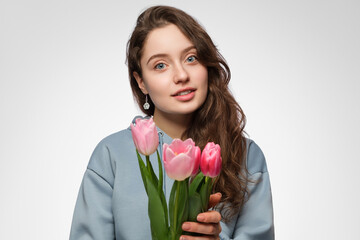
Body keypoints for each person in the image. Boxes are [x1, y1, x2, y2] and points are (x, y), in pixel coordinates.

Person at [70, 5, 274, 240]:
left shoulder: (247, 156)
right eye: (160, 65)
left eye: (191, 58)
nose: (181, 75)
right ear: (141, 82)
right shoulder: (111, 155)